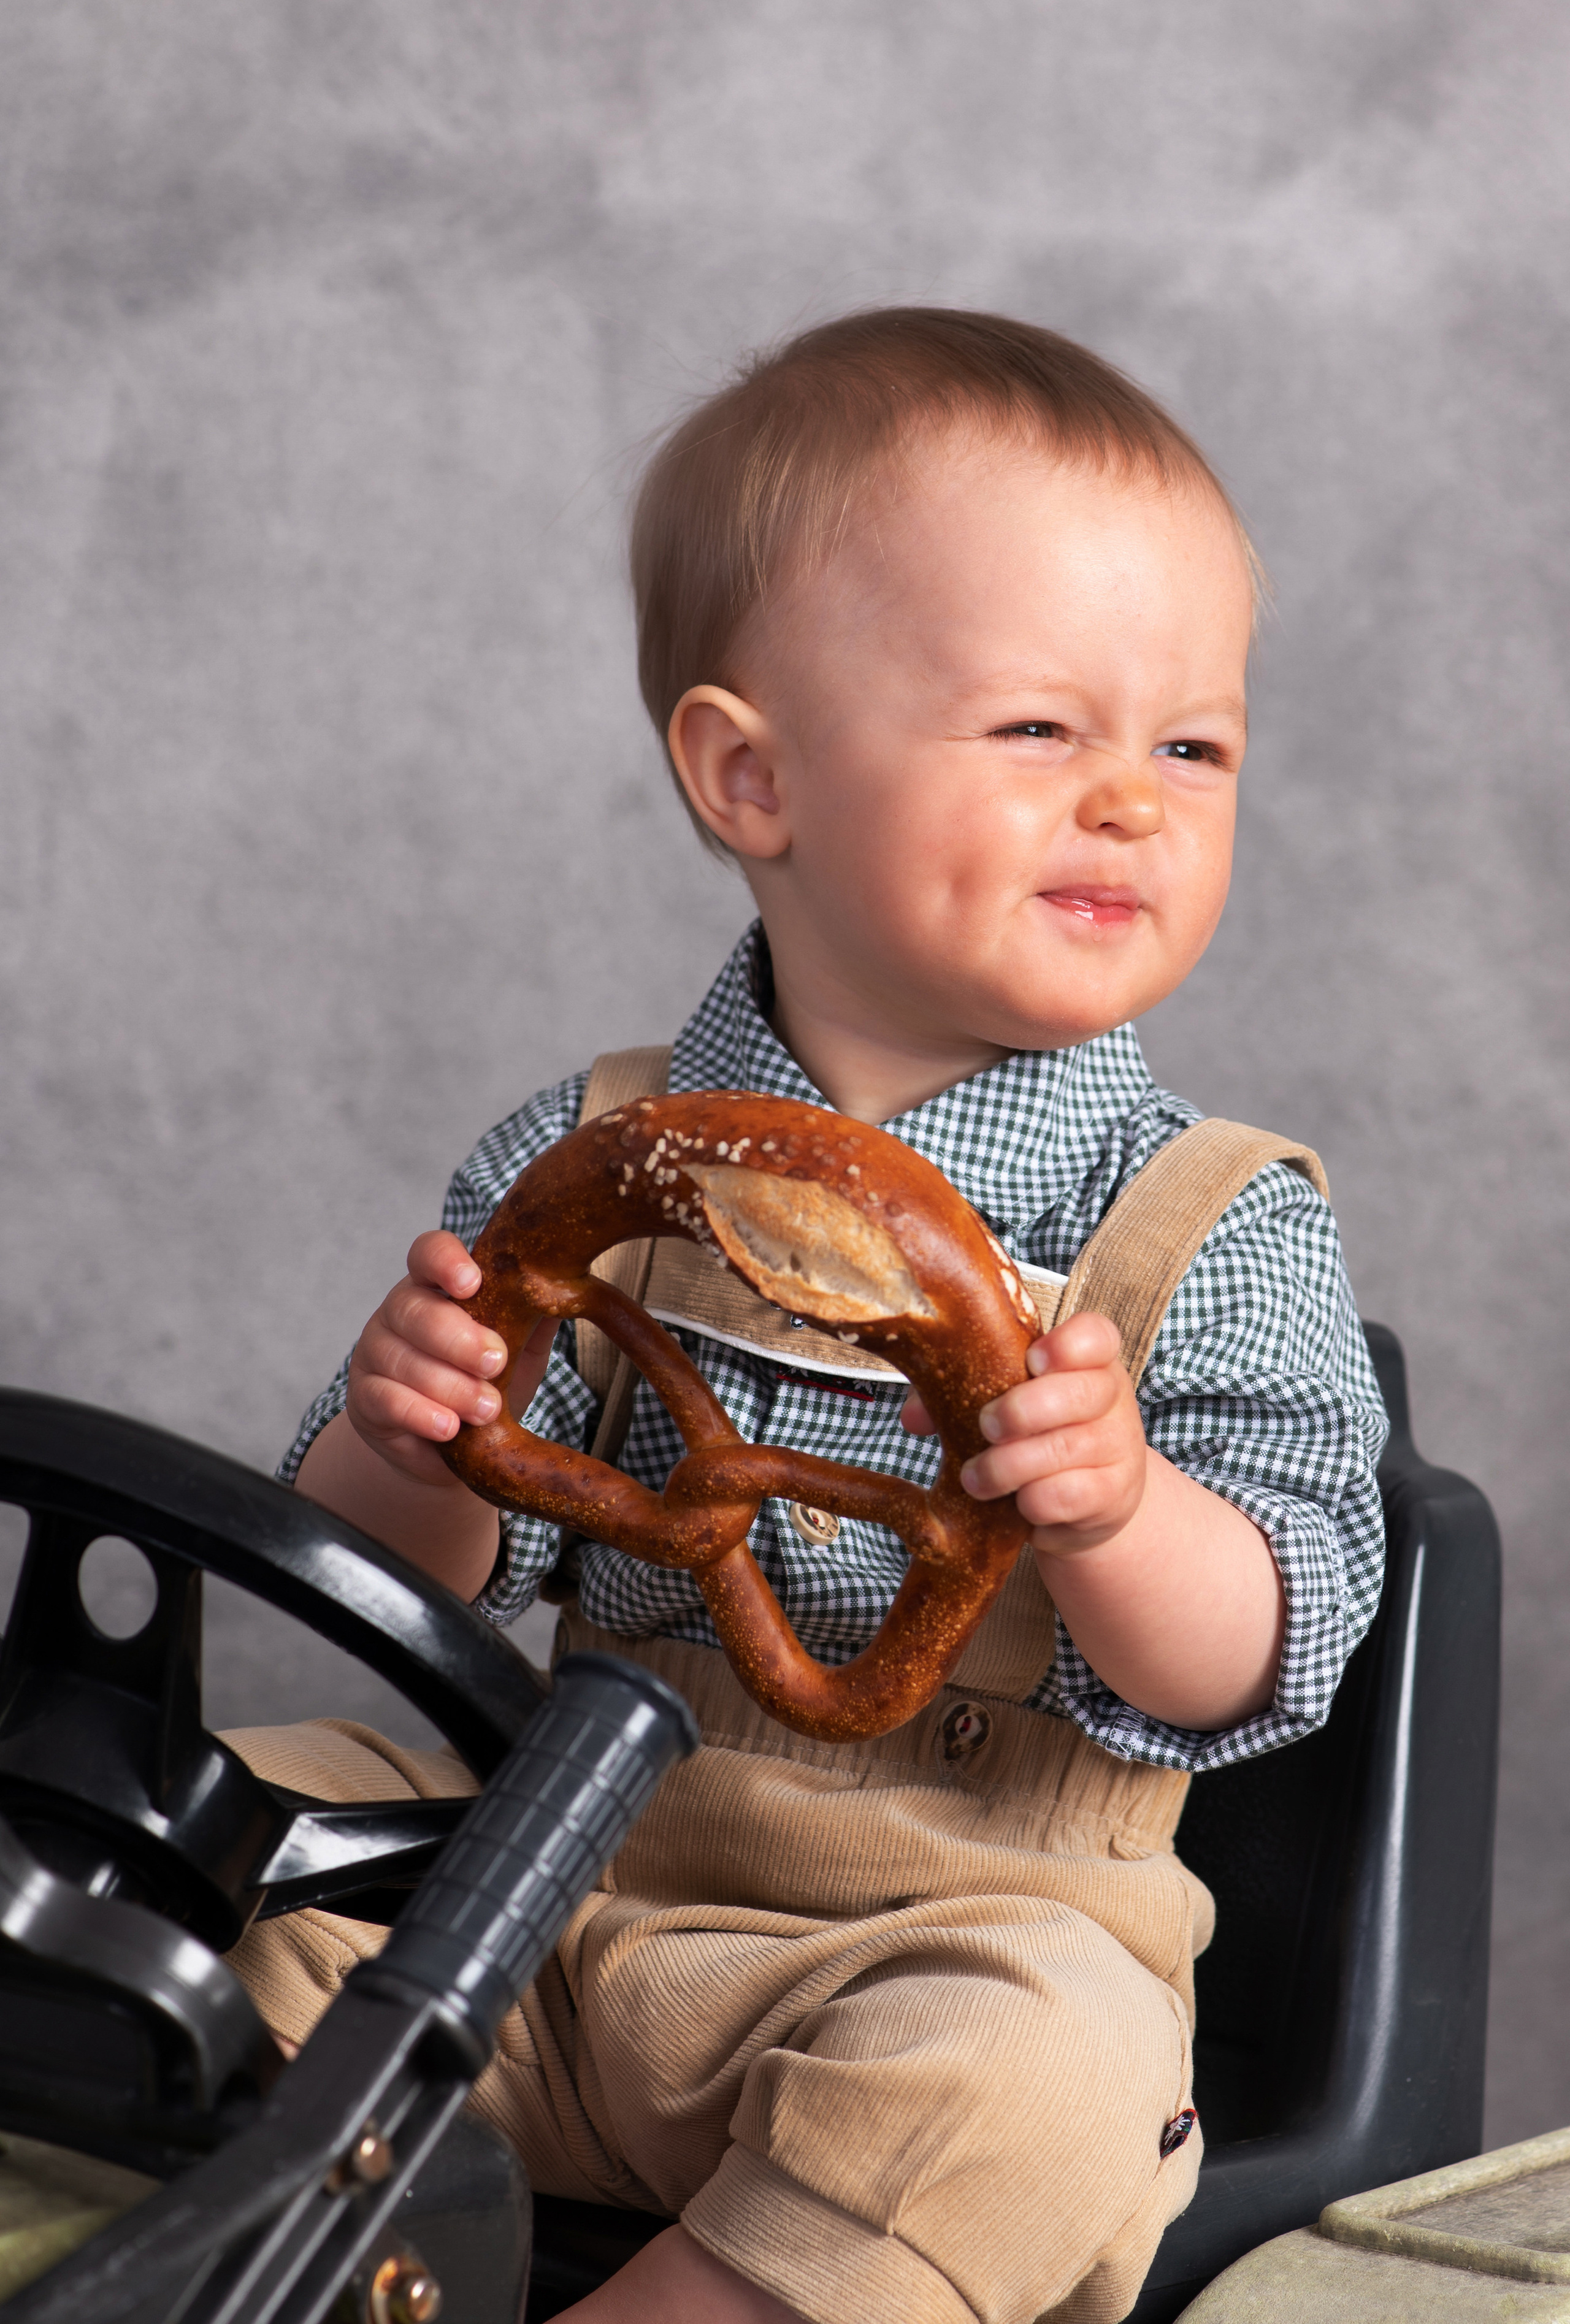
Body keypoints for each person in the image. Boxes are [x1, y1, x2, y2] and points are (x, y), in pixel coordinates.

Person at [228, 308, 1387, 2324]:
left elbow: (1262, 1656)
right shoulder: (593, 1153)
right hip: (552, 1890)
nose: (1131, 799)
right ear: (751, 773)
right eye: (1041, 730)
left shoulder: (1209, 1229)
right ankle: (345, 2264)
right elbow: (405, 1574)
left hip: (934, 1944)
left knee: (1048, 2073)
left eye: (1191, 746)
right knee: (217, 1853)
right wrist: (412, 1428)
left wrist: (1116, 1515)